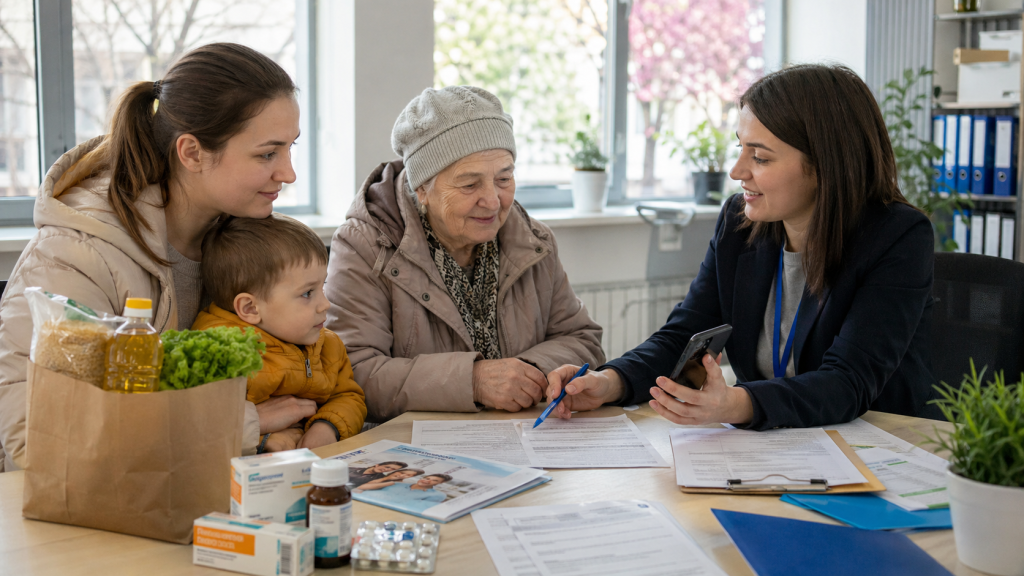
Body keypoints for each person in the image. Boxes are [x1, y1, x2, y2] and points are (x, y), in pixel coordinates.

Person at [545, 64, 938, 430]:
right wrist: (609, 382)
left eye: (760, 157)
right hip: (766, 448)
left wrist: (737, 404)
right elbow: (684, 336)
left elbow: (848, 382)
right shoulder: (741, 222)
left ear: (824, 166)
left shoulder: (898, 236)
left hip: (873, 444)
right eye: (740, 148)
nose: (737, 172)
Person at [0, 43, 314, 471]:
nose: (289, 173)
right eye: (267, 154)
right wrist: (244, 423)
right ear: (191, 153)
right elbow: (39, 439)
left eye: (291, 148)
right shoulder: (75, 254)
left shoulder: (243, 240)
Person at [326, 86, 605, 423]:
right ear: (423, 189)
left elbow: (581, 338)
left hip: (520, 437)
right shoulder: (365, 247)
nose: (493, 200)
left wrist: (529, 372)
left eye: (504, 178)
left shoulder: (533, 239)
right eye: (470, 185)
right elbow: (352, 372)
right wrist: (471, 381)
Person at [190, 214, 367, 451]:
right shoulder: (216, 356)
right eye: (307, 293)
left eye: (322, 286)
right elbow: (197, 429)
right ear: (250, 308)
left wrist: (327, 427)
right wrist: (262, 441)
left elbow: (348, 396)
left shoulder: (328, 345)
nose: (325, 304)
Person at [355, 473, 452, 513]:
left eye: (434, 480)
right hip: (360, 503)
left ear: (440, 483)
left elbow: (418, 508)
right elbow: (361, 488)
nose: (427, 481)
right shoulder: (397, 484)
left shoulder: (437, 495)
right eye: (426, 478)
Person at [353, 468, 424, 491]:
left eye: (408, 475)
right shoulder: (379, 475)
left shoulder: (402, 485)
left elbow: (363, 487)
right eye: (402, 472)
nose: (402, 475)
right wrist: (387, 478)